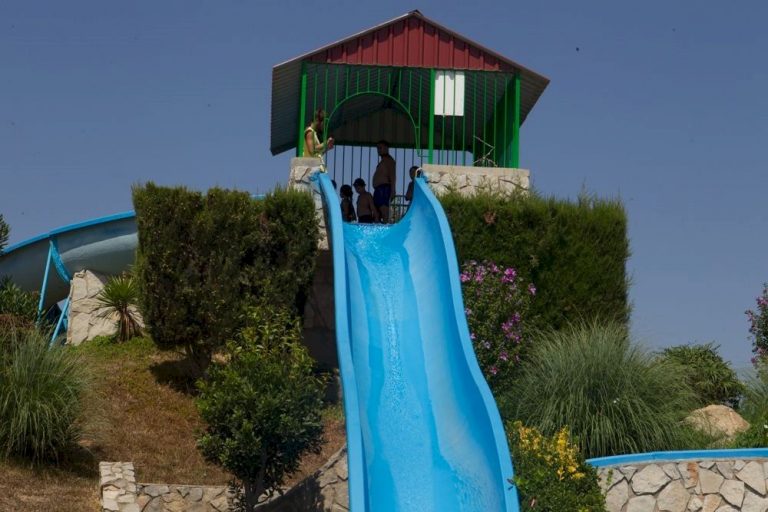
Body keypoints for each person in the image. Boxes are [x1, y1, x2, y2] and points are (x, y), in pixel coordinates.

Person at [372, 140, 396, 223]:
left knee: (384, 209)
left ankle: (386, 225)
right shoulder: (383, 160)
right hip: (378, 189)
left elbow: (392, 175)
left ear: (386, 148)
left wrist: (393, 190)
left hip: (384, 188)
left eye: (380, 148)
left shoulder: (389, 160)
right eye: (377, 148)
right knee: (377, 212)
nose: (378, 150)